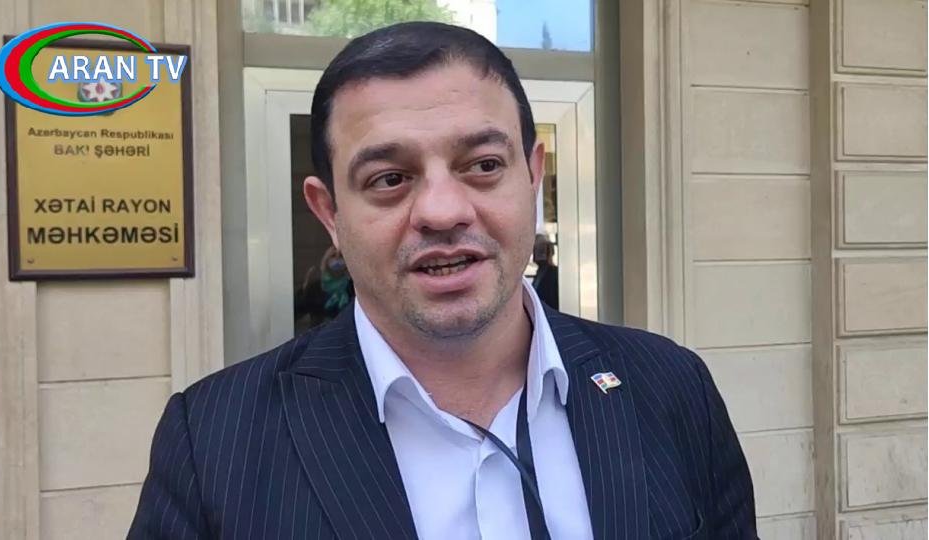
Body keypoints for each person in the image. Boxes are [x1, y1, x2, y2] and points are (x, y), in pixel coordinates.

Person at [129, 21, 756, 539]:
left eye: (483, 165)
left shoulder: (672, 388)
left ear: (532, 176)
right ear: (329, 213)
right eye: (389, 179)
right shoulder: (212, 442)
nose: (442, 211)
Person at [531, 234, 559, 310]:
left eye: (541, 250)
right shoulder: (539, 274)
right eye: (536, 249)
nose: (537, 254)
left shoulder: (554, 274)